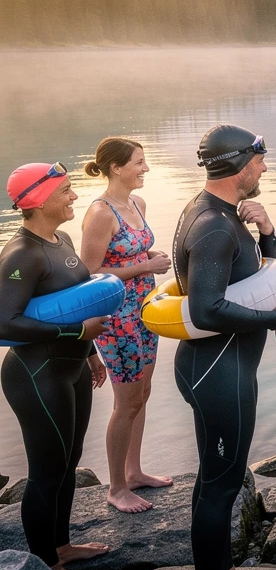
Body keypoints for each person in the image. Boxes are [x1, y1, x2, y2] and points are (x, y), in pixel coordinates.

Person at [173, 125, 276, 570]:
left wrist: (267, 233)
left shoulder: (224, 215)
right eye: (261, 160)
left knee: (216, 478)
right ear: (238, 164)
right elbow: (205, 310)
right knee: (220, 485)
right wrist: (273, 320)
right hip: (216, 372)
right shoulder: (215, 226)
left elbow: (267, 275)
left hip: (224, 368)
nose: (265, 168)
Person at [0, 163, 111, 570]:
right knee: (47, 470)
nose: (74, 197)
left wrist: (91, 351)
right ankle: (45, 566)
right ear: (37, 199)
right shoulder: (21, 254)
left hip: (73, 366)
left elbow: (74, 303)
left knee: (68, 462)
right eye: (65, 190)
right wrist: (75, 334)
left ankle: (61, 546)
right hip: (37, 374)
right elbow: (5, 324)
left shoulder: (60, 239)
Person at [79, 138, 173, 514]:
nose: (145, 168)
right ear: (116, 167)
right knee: (126, 402)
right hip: (117, 316)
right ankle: (116, 488)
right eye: (139, 162)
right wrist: (145, 267)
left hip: (145, 310)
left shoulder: (137, 203)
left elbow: (131, 248)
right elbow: (89, 271)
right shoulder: (101, 213)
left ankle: (134, 471)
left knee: (143, 392)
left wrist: (151, 254)